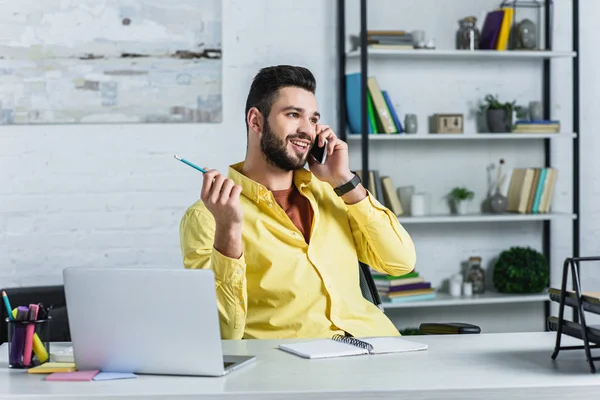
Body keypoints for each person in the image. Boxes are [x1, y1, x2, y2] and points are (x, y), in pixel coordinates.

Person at [179, 65, 416, 340]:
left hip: (377, 348)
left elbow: (401, 262)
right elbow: (223, 334)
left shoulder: (334, 193)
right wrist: (229, 231)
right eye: (293, 115)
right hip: (292, 372)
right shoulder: (209, 216)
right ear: (256, 121)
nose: (307, 130)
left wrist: (345, 180)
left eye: (313, 119)